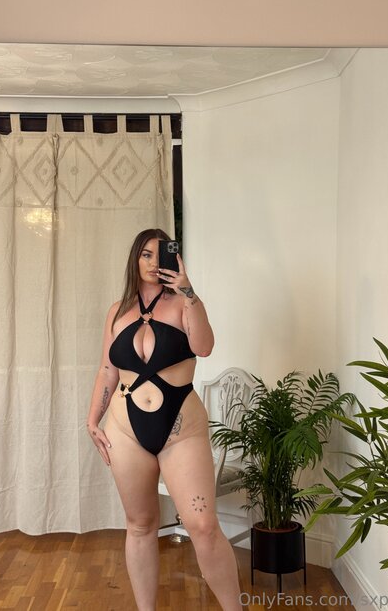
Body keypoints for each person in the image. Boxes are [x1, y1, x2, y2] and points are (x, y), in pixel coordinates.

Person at [87, 228, 243, 611]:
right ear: (135, 259)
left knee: (203, 526)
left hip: (180, 429)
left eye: (162, 254)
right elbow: (107, 371)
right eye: (146, 254)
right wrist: (92, 420)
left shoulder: (184, 304)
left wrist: (189, 292)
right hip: (124, 431)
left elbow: (204, 347)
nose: (154, 262)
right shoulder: (116, 312)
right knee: (140, 525)